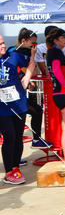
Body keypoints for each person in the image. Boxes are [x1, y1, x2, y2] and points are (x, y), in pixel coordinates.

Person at [0, 33, 36, 183]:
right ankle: (8, 172)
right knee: (9, 137)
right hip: (2, 108)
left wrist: (27, 77)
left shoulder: (14, 56)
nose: (3, 45)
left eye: (2, 43)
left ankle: (15, 168)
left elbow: (31, 64)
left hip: (18, 104)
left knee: (18, 137)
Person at [46, 28, 65, 158]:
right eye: (63, 37)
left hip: (60, 93)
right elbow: (55, 70)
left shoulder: (54, 51)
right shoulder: (54, 52)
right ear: (55, 40)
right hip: (63, 93)